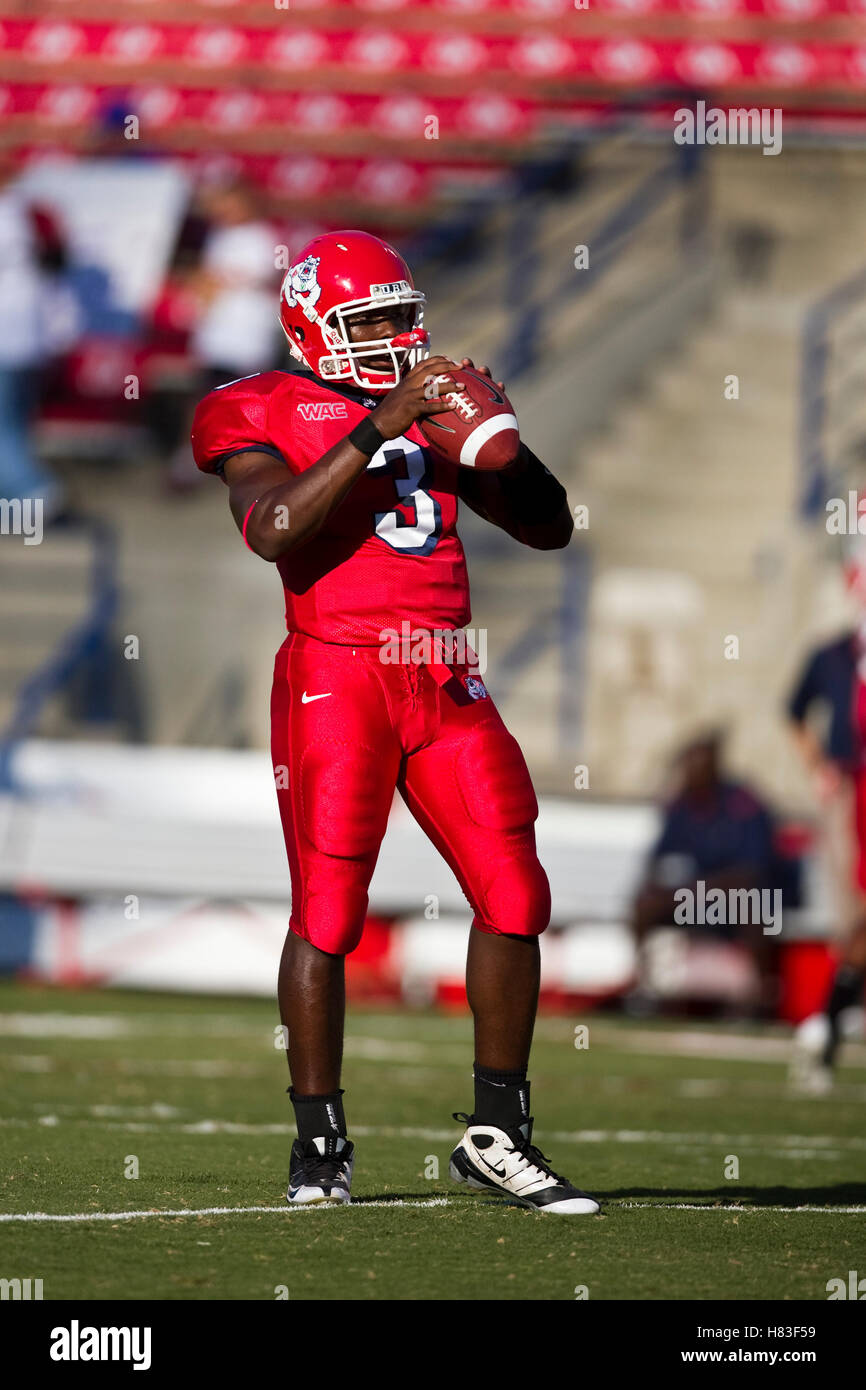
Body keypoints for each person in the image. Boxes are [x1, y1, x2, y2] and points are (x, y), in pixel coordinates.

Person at [191, 229, 599, 1214]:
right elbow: (272, 527)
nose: (392, 336)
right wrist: (378, 427)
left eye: (397, 317)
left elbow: (547, 526)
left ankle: (497, 1134)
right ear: (311, 327)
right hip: (338, 671)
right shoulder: (258, 407)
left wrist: (502, 438)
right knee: (327, 908)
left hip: (445, 669)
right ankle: (319, 1140)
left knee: (514, 888)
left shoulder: (427, 415)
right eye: (368, 321)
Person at [631, 731, 779, 1012]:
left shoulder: (743, 804)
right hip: (692, 900)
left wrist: (696, 889)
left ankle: (760, 996)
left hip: (734, 900)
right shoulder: (680, 808)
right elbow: (658, 860)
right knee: (645, 903)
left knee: (754, 904)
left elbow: (752, 871)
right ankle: (645, 990)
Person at [788, 597, 866, 1090]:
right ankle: (829, 1026)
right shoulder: (835, 653)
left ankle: (828, 1024)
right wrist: (818, 766)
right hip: (851, 789)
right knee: (855, 910)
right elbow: (795, 710)